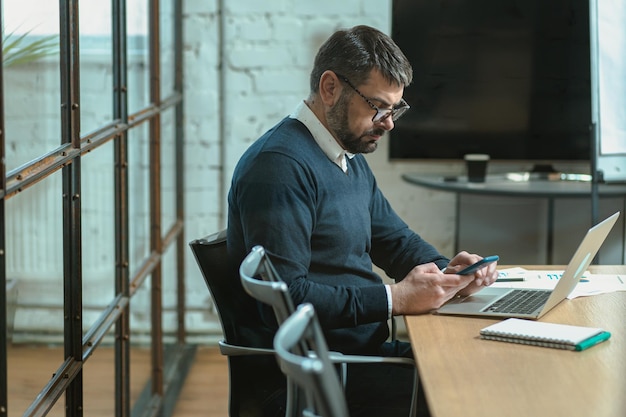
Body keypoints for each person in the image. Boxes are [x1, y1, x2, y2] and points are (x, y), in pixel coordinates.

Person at [227, 24, 499, 417]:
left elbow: (395, 240)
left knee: (481, 364)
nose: (389, 123)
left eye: (395, 109)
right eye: (377, 106)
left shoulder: (344, 156)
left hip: (357, 357)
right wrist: (398, 298)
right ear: (330, 87)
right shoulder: (279, 168)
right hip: (327, 373)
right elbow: (288, 300)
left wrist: (449, 272)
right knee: (475, 389)